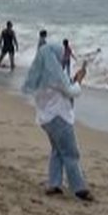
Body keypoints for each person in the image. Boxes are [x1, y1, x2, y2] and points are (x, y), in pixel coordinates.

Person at [23, 42, 93, 202]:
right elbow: (72, 92)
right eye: (61, 57)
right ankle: (79, 188)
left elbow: (62, 89)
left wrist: (73, 80)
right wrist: (79, 80)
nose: (62, 60)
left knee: (57, 151)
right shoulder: (54, 76)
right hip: (59, 117)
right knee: (70, 153)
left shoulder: (39, 75)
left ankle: (54, 184)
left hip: (46, 119)